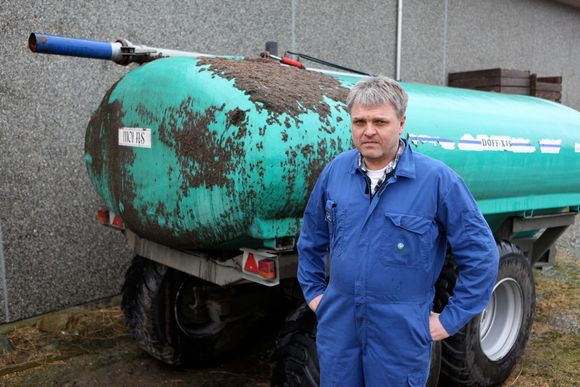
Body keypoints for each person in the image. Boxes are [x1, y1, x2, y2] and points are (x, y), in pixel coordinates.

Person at [297, 75, 499, 386]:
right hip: (339, 327)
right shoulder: (336, 171)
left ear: (401, 123)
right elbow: (311, 238)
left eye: (380, 121)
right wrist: (314, 294)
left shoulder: (437, 181)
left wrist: (449, 320)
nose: (369, 131)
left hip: (400, 332)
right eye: (359, 121)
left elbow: (481, 255)